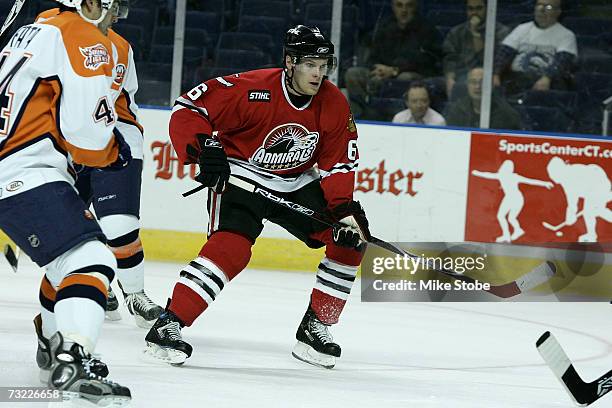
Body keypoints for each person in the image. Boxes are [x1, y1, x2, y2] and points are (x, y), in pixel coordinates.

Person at [144, 25, 370, 369]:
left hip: (296, 181)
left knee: (349, 242)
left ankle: (316, 328)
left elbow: (339, 162)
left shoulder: (333, 103)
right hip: (242, 178)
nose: (318, 73)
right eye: (310, 64)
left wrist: (342, 210)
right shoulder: (252, 89)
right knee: (231, 249)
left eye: (323, 65)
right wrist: (204, 148)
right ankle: (169, 323)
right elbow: (189, 108)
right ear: (290, 62)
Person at [0, 0, 131, 404]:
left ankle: (53, 341)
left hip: (14, 166)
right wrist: (112, 151)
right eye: (110, 7)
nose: (113, 19)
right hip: (21, 170)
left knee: (66, 263)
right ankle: (74, 359)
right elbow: (86, 133)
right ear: (89, 3)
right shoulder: (79, 34)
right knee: (90, 259)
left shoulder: (28, 31)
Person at [35, 3, 163, 329]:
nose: (116, 17)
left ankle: (135, 294)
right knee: (69, 235)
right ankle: (93, 284)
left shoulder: (120, 47)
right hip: (68, 146)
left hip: (117, 141)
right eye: (113, 8)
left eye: (120, 9)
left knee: (119, 226)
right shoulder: (51, 29)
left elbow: (122, 101)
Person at [344, 0, 442, 118]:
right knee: (353, 74)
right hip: (384, 75)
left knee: (404, 78)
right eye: (399, 5)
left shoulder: (427, 29)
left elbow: (426, 61)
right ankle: (361, 115)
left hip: (413, 76)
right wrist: (378, 69)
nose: (404, 10)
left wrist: (395, 70)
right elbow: (372, 57)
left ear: (415, 7)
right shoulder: (385, 26)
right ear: (393, 7)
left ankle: (401, 115)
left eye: (408, 6)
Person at [493, 0, 577, 95]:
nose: (541, 9)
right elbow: (504, 53)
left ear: (558, 12)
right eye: (539, 5)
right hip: (516, 81)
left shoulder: (566, 35)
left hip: (548, 85)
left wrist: (547, 78)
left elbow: (563, 61)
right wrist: (496, 74)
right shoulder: (522, 29)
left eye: (548, 7)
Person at [472, 160, 553, 242]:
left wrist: (477, 173)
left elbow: (488, 175)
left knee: (501, 216)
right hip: (517, 198)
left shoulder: (502, 175)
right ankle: (517, 231)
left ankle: (508, 235)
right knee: (511, 218)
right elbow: (530, 181)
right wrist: (545, 183)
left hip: (512, 198)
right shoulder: (511, 176)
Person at [443, 0, 510, 97]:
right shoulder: (456, 32)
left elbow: (491, 61)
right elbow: (450, 58)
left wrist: (475, 34)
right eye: (470, 9)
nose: (474, 13)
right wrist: (450, 79)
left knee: (462, 86)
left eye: (479, 8)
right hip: (460, 75)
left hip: (487, 77)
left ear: (487, 9)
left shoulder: (501, 32)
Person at [546, 157, 612, 242]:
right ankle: (591, 235)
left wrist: (571, 216)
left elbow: (572, 202)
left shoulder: (570, 177)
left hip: (598, 186)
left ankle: (591, 236)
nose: (556, 181)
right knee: (596, 211)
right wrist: (571, 215)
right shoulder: (568, 176)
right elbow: (572, 202)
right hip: (598, 186)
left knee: (588, 212)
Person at [446, 67, 522, 130]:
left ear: (491, 86)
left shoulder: (507, 115)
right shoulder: (456, 110)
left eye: (482, 82)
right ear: (467, 85)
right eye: (473, 82)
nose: (477, 87)